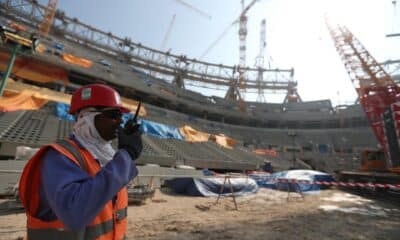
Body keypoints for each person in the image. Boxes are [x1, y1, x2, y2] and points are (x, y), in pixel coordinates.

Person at [18, 84, 143, 239]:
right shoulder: (59, 157)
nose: (119, 122)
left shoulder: (109, 159)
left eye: (121, 117)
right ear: (87, 118)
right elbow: (74, 213)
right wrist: (127, 155)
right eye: (113, 115)